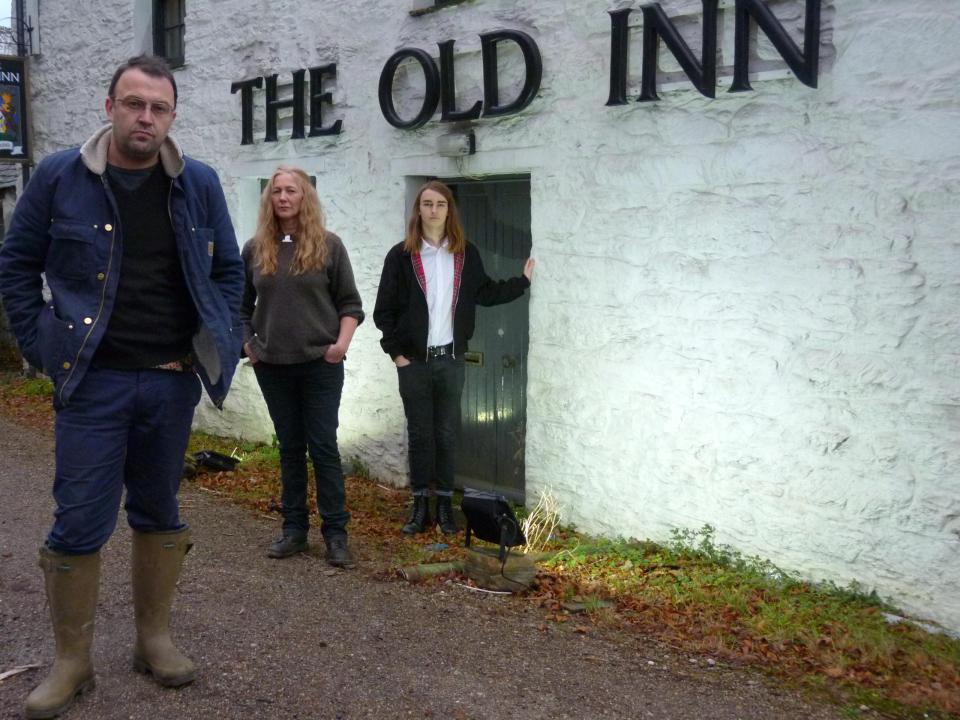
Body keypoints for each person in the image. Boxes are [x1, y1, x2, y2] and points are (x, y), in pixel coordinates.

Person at [0, 55, 244, 717]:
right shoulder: (59, 176)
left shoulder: (200, 183)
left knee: (159, 512)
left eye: (158, 108)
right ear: (110, 107)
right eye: (134, 103)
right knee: (79, 520)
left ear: (171, 116)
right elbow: (17, 265)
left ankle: (153, 640)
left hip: (169, 384)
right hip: (93, 384)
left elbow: (229, 276)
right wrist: (44, 345)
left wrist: (219, 341)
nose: (145, 117)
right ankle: (72, 661)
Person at [373, 180, 534, 535]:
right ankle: (419, 507)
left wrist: (521, 282)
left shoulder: (464, 254)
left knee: (446, 434)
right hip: (414, 363)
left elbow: (486, 293)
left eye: (440, 205)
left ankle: (445, 506)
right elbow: (383, 312)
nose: (433, 210)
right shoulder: (401, 256)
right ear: (418, 210)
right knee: (419, 435)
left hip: (451, 360)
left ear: (449, 211)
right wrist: (398, 354)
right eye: (427, 204)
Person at [241, 166, 364, 567]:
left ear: (304, 197)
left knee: (324, 448)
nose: (282, 197)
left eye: (290, 190)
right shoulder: (256, 249)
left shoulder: (329, 246)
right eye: (276, 191)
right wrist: (250, 346)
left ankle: (336, 535)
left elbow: (350, 305)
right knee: (290, 449)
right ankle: (293, 530)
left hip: (320, 364)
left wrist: (339, 347)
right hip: (273, 365)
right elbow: (238, 307)